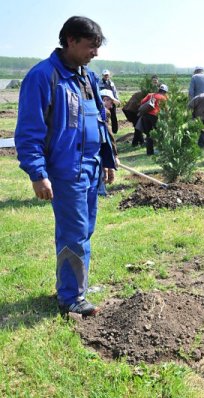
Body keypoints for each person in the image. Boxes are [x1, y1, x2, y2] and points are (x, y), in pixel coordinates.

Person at [15, 16, 118, 317]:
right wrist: (37, 173)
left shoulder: (87, 77)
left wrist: (107, 160)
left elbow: (98, 121)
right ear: (71, 40)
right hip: (66, 170)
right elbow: (28, 131)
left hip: (91, 167)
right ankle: (71, 298)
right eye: (91, 46)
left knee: (85, 230)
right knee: (73, 233)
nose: (95, 53)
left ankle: (75, 285)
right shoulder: (43, 77)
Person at [136, 84, 168, 155]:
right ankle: (160, 150)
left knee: (149, 134)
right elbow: (166, 109)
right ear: (165, 92)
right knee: (159, 133)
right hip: (155, 117)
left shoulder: (150, 95)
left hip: (145, 116)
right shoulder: (163, 98)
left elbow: (142, 102)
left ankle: (149, 152)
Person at [98, 69, 119, 134]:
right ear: (102, 75)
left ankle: (114, 130)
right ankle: (105, 129)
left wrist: (117, 99)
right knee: (103, 115)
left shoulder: (112, 83)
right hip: (103, 102)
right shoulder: (99, 83)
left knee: (113, 116)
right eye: (105, 75)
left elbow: (115, 92)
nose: (106, 76)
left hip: (111, 101)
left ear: (109, 75)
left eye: (107, 75)